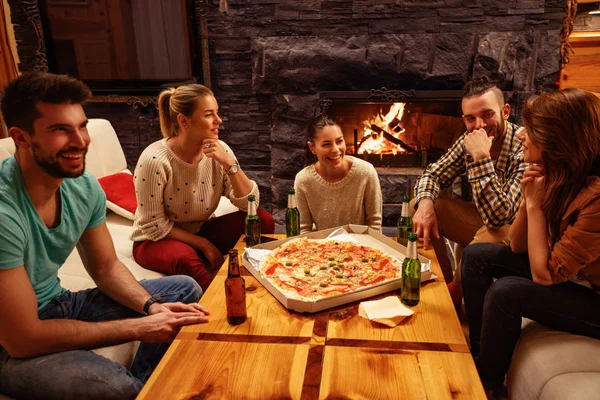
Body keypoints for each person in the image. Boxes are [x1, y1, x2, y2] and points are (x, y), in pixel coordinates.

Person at [0, 72, 208, 400]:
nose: (80, 141)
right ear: (21, 137)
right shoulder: (3, 213)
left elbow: (106, 268)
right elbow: (22, 339)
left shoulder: (83, 187)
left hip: (59, 304)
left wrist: (152, 308)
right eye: (60, 129)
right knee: (114, 386)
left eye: (81, 126)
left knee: (183, 290)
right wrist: (139, 327)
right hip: (9, 347)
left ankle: (146, 387)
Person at [461, 88, 600, 397]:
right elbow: (517, 247)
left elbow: (543, 275)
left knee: (506, 292)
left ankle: (487, 385)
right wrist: (528, 198)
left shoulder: (597, 197)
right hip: (579, 278)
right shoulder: (560, 174)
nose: (521, 134)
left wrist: (535, 205)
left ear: (558, 140)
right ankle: (478, 353)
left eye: (532, 128)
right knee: (477, 255)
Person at [131, 84, 274, 291]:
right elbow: (154, 226)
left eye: (217, 113)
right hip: (154, 241)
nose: (219, 121)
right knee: (186, 258)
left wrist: (229, 165)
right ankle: (226, 301)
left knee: (262, 220)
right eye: (209, 115)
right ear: (183, 120)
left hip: (199, 230)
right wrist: (204, 244)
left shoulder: (220, 150)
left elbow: (249, 204)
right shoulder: (154, 160)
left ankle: (255, 279)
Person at [412, 77, 528, 303]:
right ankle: (440, 285)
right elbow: (433, 174)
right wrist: (424, 204)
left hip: (517, 233)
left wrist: (481, 157)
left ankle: (455, 289)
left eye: (487, 114)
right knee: (425, 206)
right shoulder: (468, 139)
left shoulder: (524, 145)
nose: (479, 125)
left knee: (498, 229)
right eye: (470, 118)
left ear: (505, 111)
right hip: (483, 222)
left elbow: (499, 218)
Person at [294, 116, 382, 233]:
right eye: (326, 144)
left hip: (361, 246)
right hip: (320, 247)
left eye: (339, 141)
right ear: (312, 147)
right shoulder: (303, 180)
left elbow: (374, 224)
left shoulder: (366, 172)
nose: (336, 150)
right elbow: (304, 230)